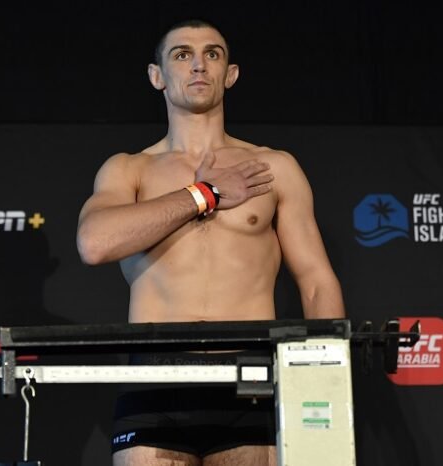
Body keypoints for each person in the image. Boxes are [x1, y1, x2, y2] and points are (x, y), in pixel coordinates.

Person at [77, 19, 345, 466]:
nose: (199, 65)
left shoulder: (274, 167)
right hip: (155, 375)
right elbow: (94, 243)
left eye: (212, 54)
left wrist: (327, 380)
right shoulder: (129, 170)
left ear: (230, 74)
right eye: (182, 54)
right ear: (157, 76)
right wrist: (206, 194)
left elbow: (316, 281)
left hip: (250, 373)